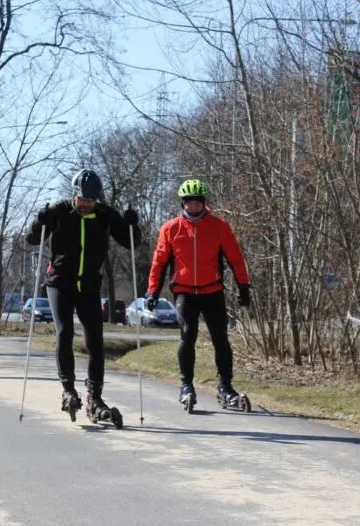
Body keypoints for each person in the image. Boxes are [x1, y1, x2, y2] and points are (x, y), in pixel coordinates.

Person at [25, 169, 140, 419]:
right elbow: (32, 239)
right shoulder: (58, 212)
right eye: (83, 200)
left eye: (91, 200)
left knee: (95, 340)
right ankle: (68, 390)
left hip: (88, 285)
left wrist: (132, 225)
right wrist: (39, 220)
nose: (86, 205)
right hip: (59, 283)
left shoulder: (105, 215)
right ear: (74, 194)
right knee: (65, 331)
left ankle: (95, 397)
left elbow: (132, 243)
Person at [145, 179, 252, 409]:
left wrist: (244, 286)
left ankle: (225, 387)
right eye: (189, 203)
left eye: (197, 202)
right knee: (188, 334)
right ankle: (186, 385)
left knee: (220, 338)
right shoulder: (170, 228)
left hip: (212, 289)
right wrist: (152, 290)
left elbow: (235, 258)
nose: (194, 207)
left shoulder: (219, 226)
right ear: (183, 203)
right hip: (184, 291)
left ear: (204, 203)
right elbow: (159, 262)